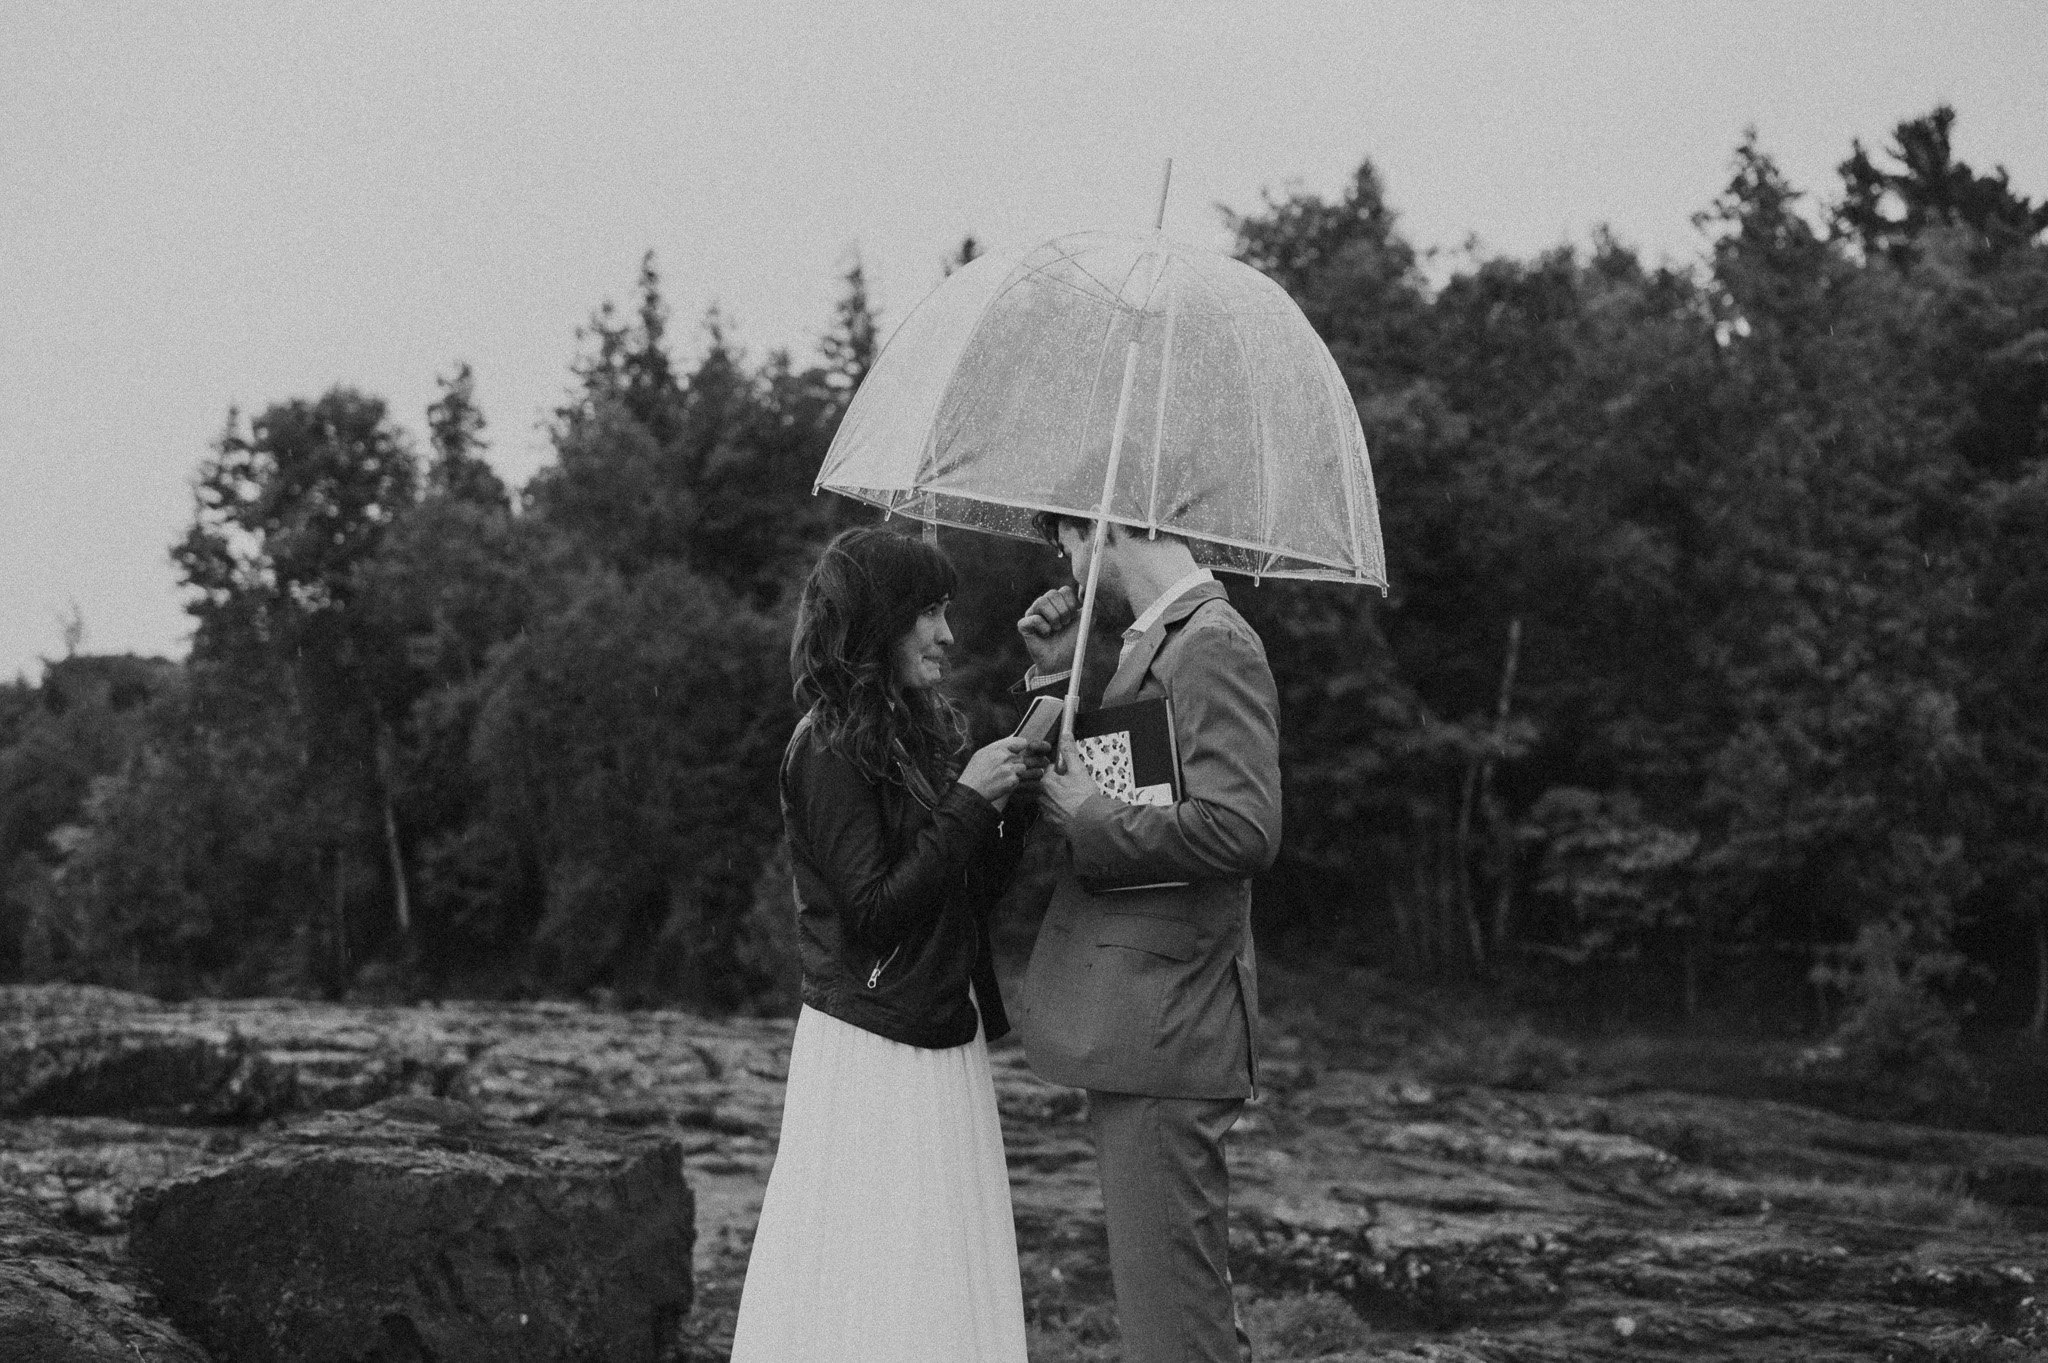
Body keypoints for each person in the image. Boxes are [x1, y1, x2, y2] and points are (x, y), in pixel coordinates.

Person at [730, 526, 1048, 1363]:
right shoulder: (826, 748)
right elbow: (872, 911)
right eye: (928, 613)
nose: (947, 634)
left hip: (944, 1027)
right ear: (877, 623)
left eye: (946, 610)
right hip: (874, 1043)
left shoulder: (921, 732)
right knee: (876, 1274)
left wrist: (1006, 809)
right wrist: (969, 804)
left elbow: (963, 896)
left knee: (940, 1269)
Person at [1015, 513, 1281, 1363]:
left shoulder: (1212, 641)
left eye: (1066, 541)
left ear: (1105, 531)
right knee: (1171, 1309)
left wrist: (1093, 820)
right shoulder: (1154, 643)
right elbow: (1142, 774)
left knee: (1176, 1327)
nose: (1066, 562)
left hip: (1169, 1022)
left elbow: (1244, 828)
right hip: (1144, 1022)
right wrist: (1063, 676)